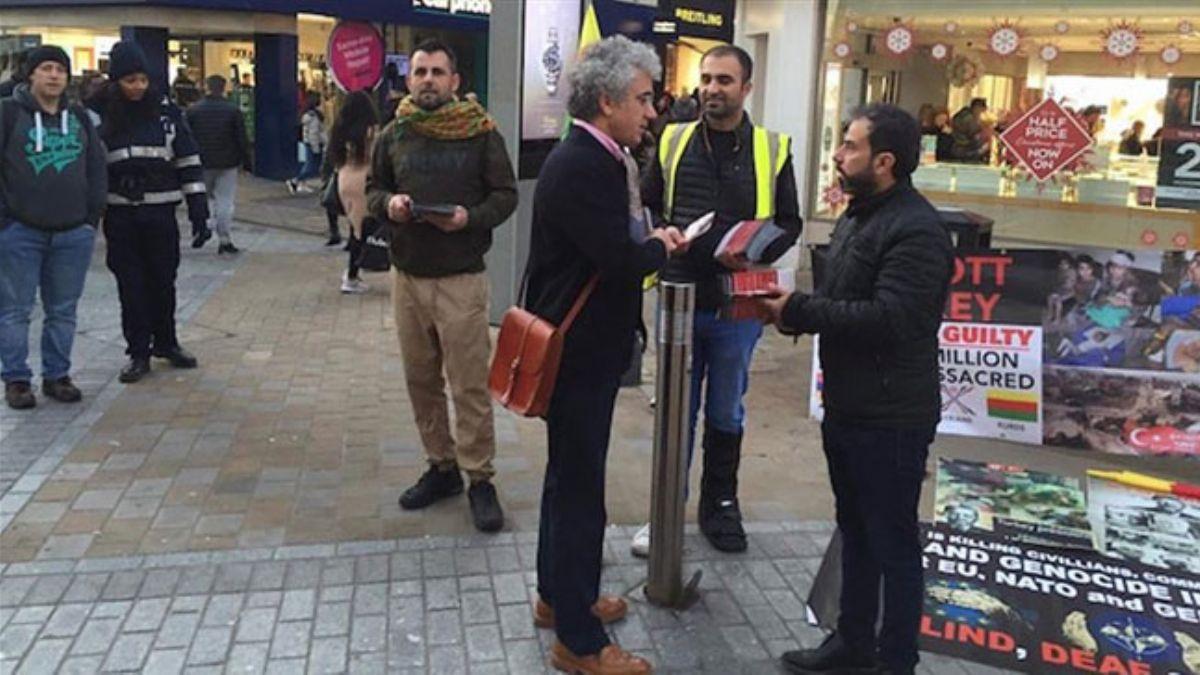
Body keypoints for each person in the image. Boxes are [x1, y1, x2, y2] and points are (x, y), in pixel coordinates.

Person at [755, 104, 954, 675]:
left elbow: (893, 318)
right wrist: (792, 308)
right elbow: (844, 294)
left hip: (891, 416)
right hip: (849, 404)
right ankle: (853, 641)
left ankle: (896, 661)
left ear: (884, 161)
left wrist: (800, 310)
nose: (839, 155)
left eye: (849, 146)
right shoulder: (858, 214)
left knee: (892, 543)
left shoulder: (916, 230)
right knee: (855, 530)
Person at [526, 35, 686, 675]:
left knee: (566, 479)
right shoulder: (585, 164)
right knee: (580, 490)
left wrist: (648, 239)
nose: (652, 112)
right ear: (610, 100)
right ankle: (579, 640)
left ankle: (560, 596)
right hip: (579, 353)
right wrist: (663, 247)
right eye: (644, 99)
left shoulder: (602, 156)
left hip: (583, 346)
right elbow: (618, 260)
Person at [636, 44, 802, 556]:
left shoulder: (772, 149)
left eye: (724, 81)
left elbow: (790, 222)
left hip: (737, 303)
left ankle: (720, 508)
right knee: (677, 413)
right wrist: (661, 233)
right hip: (679, 296)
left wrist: (753, 252)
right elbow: (645, 204)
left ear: (746, 88)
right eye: (707, 79)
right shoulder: (673, 138)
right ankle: (664, 512)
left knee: (726, 410)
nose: (712, 89)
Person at [366, 39, 517, 533]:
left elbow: (506, 196)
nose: (428, 79)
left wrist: (468, 218)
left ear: (455, 81)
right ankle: (441, 466)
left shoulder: (480, 134)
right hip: (407, 277)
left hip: (460, 280)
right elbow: (373, 189)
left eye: (437, 71)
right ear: (408, 79)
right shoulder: (394, 134)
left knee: (469, 384)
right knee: (420, 380)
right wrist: (388, 205)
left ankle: (480, 478)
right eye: (420, 71)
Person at [94, 41, 208, 384]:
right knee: (131, 286)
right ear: (116, 82)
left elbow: (187, 159)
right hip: (121, 215)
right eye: (130, 80)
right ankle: (138, 352)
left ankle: (167, 342)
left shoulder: (167, 114)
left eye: (142, 79)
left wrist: (198, 208)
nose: (138, 87)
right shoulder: (98, 115)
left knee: (163, 282)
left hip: (161, 213)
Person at [0, 46, 107, 409]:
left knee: (63, 309)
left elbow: (96, 168)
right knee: (15, 309)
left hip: (72, 232)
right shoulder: (8, 114)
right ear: (30, 74)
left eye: (60, 69)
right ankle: (16, 380)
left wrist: (90, 218)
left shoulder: (79, 117)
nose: (54, 75)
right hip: (20, 232)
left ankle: (57, 375)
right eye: (46, 68)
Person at [186, 74, 251, 255]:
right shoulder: (232, 111)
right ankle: (224, 239)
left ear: (206, 86)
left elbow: (186, 138)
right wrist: (247, 162)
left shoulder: (193, 111)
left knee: (201, 199)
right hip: (227, 162)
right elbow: (241, 139)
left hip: (201, 162)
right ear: (223, 88)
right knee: (225, 201)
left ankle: (203, 227)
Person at [330, 90, 379, 294]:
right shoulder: (370, 130)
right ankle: (351, 275)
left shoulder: (339, 129)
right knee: (361, 229)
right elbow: (376, 155)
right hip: (362, 180)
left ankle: (352, 274)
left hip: (344, 179)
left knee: (354, 226)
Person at [286, 90, 325, 194]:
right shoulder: (313, 116)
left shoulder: (309, 115)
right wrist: (316, 147)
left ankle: (301, 183)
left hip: (311, 143)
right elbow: (314, 133)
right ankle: (295, 181)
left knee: (311, 166)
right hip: (314, 144)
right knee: (311, 167)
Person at [950, 97, 988, 162]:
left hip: (962, 147)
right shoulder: (968, 118)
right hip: (963, 149)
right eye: (982, 110)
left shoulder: (964, 115)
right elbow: (972, 132)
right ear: (977, 108)